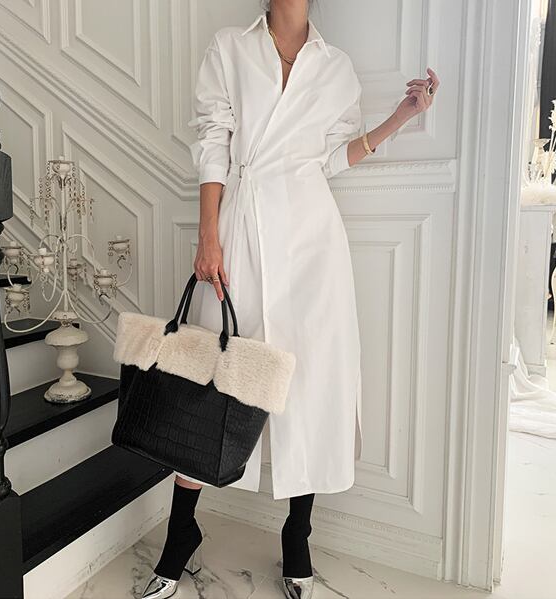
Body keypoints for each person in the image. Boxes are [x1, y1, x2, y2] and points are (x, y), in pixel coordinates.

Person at [142, 1, 438, 597]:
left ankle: (297, 534)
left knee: (310, 382)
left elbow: (330, 159)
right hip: (240, 230)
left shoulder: (336, 66)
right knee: (212, 378)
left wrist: (401, 117)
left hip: (311, 241)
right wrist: (208, 236)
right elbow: (214, 142)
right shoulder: (230, 46)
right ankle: (180, 534)